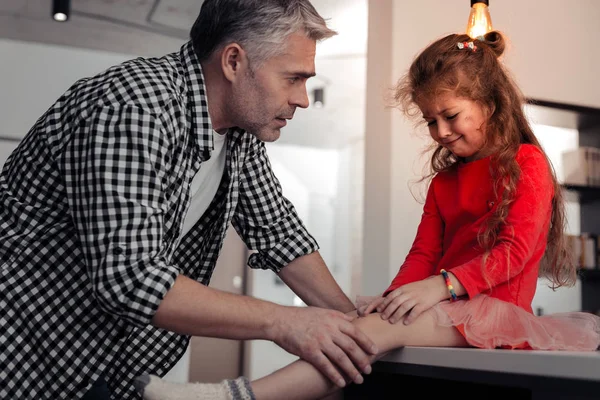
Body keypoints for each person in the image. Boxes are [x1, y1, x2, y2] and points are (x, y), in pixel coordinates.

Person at [135, 30, 600, 400]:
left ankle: (233, 396)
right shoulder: (445, 182)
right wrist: (396, 296)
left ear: (491, 104)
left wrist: (441, 286)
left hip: (497, 315)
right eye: (430, 121)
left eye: (450, 115)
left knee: (360, 337)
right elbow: (424, 253)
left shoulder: (527, 164)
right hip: (451, 306)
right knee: (357, 334)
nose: (439, 132)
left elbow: (514, 254)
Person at [0, 1, 380, 399]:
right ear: (233, 62)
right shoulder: (134, 107)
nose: (303, 99)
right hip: (22, 356)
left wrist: (353, 327)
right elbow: (131, 279)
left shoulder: (239, 135)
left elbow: (279, 234)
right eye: (292, 79)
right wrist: (286, 322)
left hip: (94, 367)